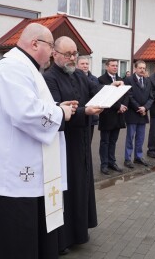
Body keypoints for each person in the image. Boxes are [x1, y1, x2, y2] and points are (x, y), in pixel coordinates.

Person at [0, 23, 75, 259]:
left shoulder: (25, 68)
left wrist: (56, 107)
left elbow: (31, 104)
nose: (52, 52)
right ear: (35, 44)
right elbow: (25, 112)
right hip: (13, 173)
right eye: (50, 46)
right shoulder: (12, 68)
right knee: (15, 240)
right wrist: (60, 114)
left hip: (22, 164)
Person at [43, 37, 104, 255]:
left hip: (81, 141)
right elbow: (55, 110)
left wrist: (111, 89)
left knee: (82, 184)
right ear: (54, 54)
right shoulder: (48, 78)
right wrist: (84, 112)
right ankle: (63, 239)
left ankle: (79, 231)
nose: (72, 58)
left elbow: (96, 90)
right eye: (68, 54)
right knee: (66, 190)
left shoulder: (79, 74)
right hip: (63, 144)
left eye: (74, 54)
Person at [98, 59, 128, 175]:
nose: (115, 67)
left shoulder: (121, 80)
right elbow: (106, 97)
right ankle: (104, 164)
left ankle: (112, 162)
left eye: (116, 66)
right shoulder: (101, 80)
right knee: (105, 141)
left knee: (113, 141)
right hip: (107, 115)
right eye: (113, 65)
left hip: (119, 115)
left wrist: (124, 105)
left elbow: (126, 94)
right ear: (107, 67)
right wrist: (118, 106)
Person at [124, 60, 153, 168]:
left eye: (144, 68)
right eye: (140, 68)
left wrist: (145, 107)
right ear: (135, 69)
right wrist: (138, 108)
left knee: (140, 137)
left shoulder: (147, 81)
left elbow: (151, 97)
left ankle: (138, 157)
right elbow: (129, 96)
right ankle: (127, 159)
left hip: (143, 114)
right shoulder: (129, 80)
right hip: (133, 113)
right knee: (130, 137)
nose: (142, 70)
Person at [76, 55, 100, 143]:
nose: (85, 66)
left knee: (89, 141)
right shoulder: (73, 78)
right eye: (82, 64)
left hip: (92, 115)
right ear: (77, 65)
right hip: (80, 113)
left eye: (87, 64)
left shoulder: (94, 79)